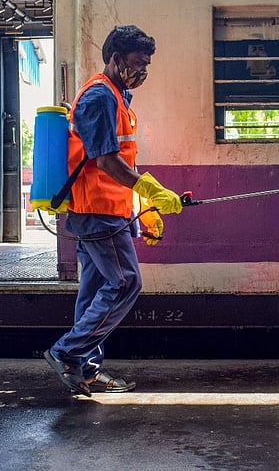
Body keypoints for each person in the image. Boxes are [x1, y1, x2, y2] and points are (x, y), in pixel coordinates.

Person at [43, 25, 183, 397]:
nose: (143, 72)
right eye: (138, 63)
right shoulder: (99, 98)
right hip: (97, 212)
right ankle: (67, 353)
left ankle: (86, 370)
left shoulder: (118, 97)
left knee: (92, 292)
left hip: (108, 210)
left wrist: (142, 207)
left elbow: (121, 160)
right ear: (116, 59)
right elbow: (106, 162)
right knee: (125, 283)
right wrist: (151, 189)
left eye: (147, 65)